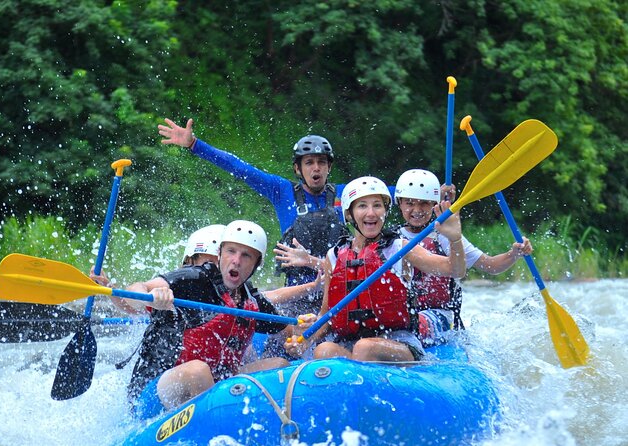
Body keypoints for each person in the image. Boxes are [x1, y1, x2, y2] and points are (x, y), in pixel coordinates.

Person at [94, 220, 293, 420]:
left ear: (256, 264)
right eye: (231, 252)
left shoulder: (252, 301)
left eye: (246, 255)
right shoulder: (194, 280)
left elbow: (288, 332)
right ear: (220, 253)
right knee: (198, 371)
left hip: (215, 382)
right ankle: (215, 425)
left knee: (278, 365)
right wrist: (152, 297)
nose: (236, 261)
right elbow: (137, 290)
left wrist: (300, 339)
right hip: (159, 389)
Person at [158, 118, 344, 317]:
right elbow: (239, 167)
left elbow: (379, 194)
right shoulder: (282, 191)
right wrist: (195, 144)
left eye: (321, 162)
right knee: (284, 341)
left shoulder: (347, 195)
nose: (316, 168)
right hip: (297, 296)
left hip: (340, 292)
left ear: (329, 167)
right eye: (309, 162)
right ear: (298, 169)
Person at [283, 176, 466, 363]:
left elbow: (455, 270)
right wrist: (306, 339)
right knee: (324, 350)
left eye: (377, 205)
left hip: (399, 342)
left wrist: (455, 239)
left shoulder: (400, 247)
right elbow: (327, 315)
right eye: (362, 206)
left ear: (385, 211)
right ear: (349, 214)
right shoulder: (335, 256)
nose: (371, 213)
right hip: (351, 343)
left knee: (365, 348)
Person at [393, 169, 533, 342]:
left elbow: (491, 266)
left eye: (424, 203)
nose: (417, 209)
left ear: (434, 205)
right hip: (401, 314)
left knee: (413, 325)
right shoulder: (391, 238)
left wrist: (514, 254)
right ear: (399, 203)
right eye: (410, 203)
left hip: (439, 316)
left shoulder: (445, 236)